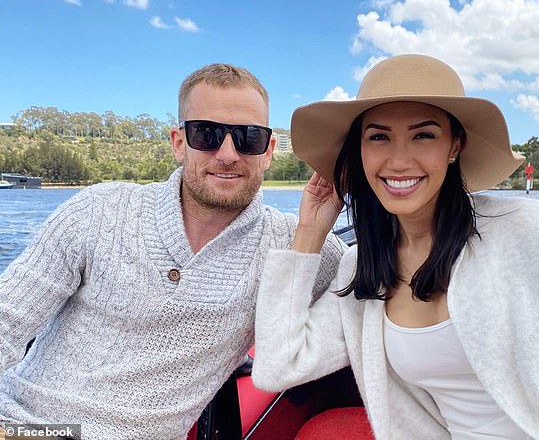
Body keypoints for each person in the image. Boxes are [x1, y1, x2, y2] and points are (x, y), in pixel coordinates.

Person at [253, 54, 539, 439]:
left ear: (454, 146)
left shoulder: (530, 231)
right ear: (360, 151)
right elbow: (278, 366)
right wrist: (309, 234)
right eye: (379, 137)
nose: (399, 160)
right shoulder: (363, 268)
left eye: (424, 135)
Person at [0, 63, 345, 439]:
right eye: (207, 134)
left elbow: (382, 277)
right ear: (179, 142)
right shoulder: (97, 211)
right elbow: (7, 320)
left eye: (248, 138)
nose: (228, 154)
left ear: (268, 151)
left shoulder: (292, 243)